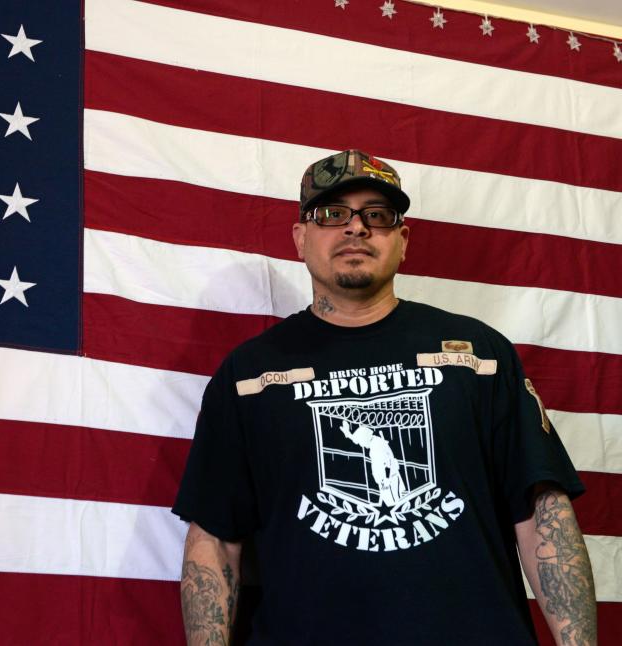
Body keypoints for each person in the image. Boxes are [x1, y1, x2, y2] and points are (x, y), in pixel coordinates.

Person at [172, 149, 596, 645]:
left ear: (403, 240)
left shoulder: (478, 356)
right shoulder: (249, 376)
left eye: (377, 215)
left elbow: (542, 508)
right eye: (332, 214)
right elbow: (216, 540)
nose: (356, 229)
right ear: (300, 238)